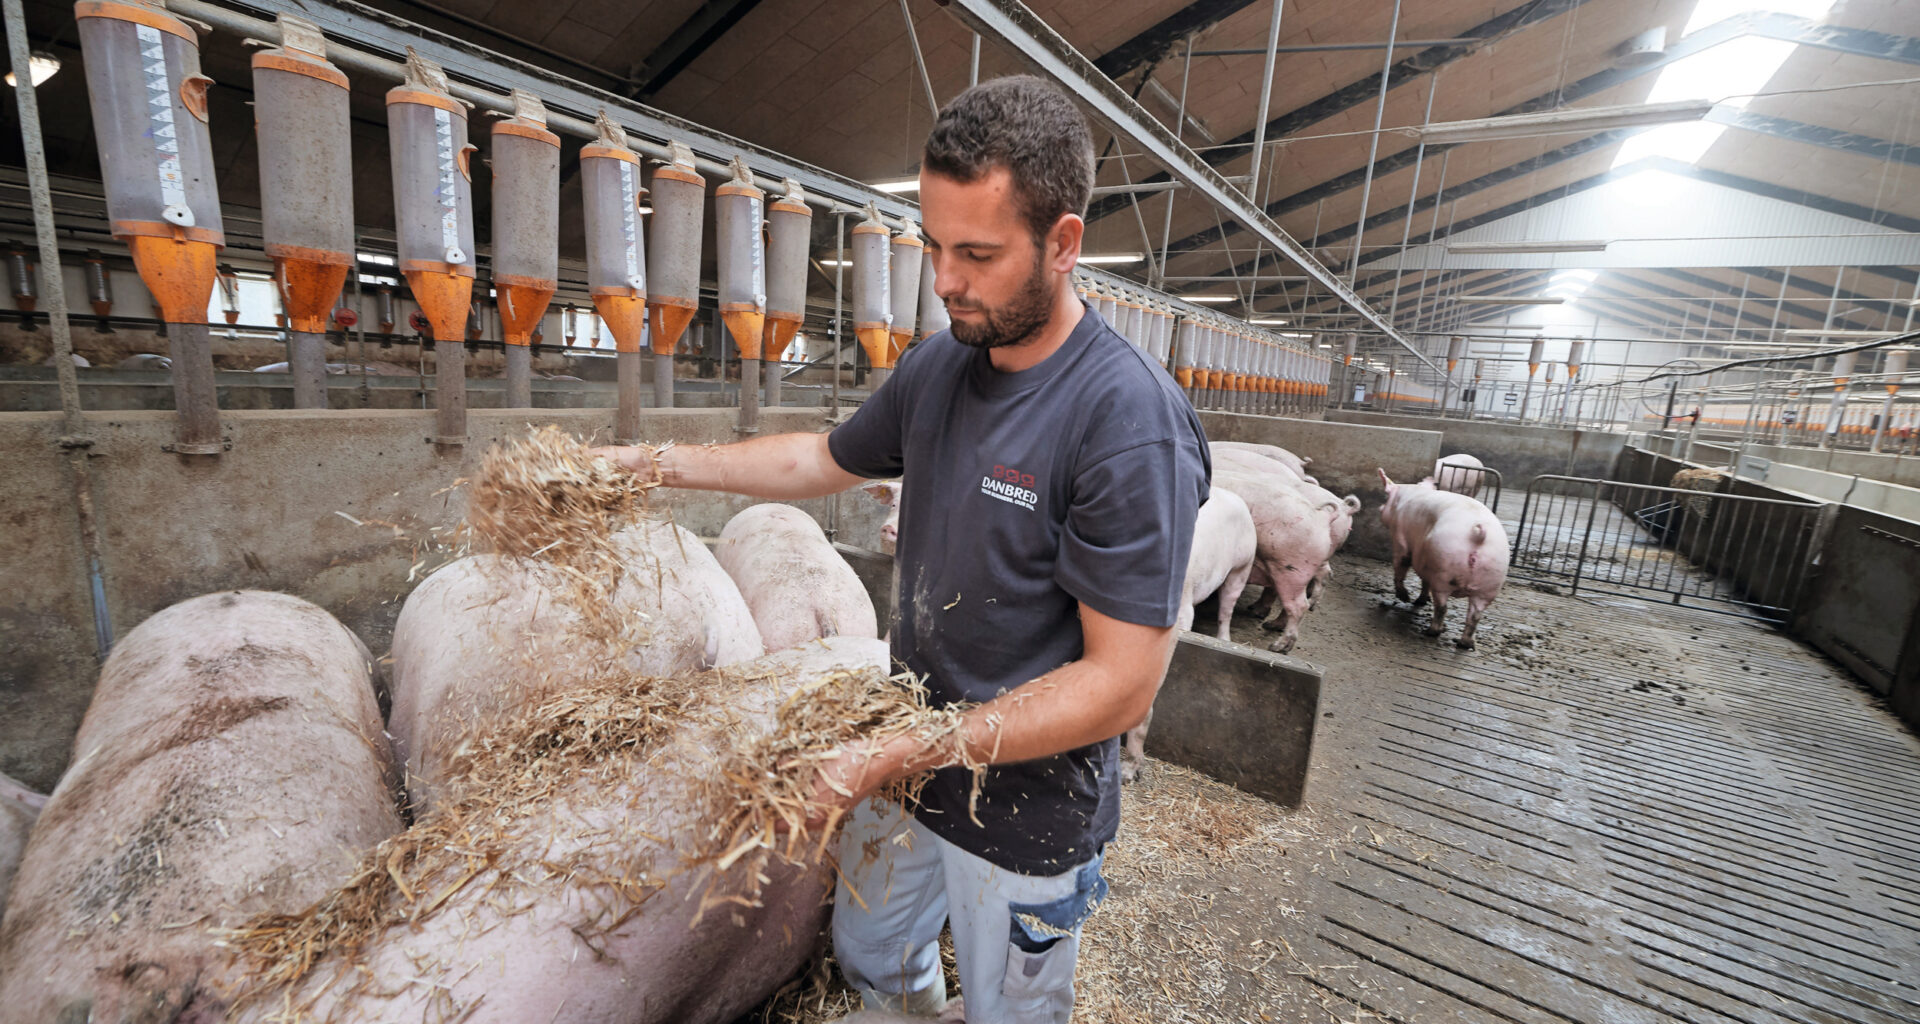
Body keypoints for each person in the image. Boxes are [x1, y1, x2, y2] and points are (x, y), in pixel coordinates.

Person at [592, 75, 1209, 1023]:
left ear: (1063, 243)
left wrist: (892, 752)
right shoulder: (939, 366)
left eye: (977, 254)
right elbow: (818, 458)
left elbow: (1121, 684)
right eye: (934, 246)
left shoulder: (1128, 424)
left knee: (1011, 1011)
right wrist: (655, 464)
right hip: (914, 764)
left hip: (1028, 812)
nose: (945, 281)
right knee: (872, 953)